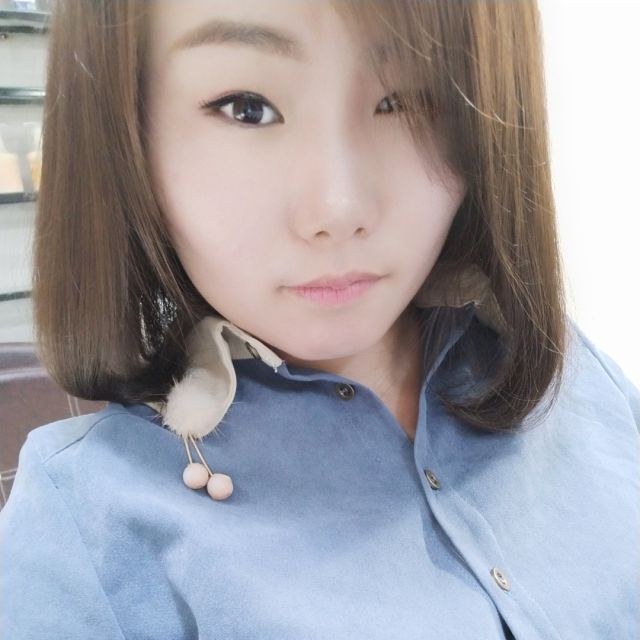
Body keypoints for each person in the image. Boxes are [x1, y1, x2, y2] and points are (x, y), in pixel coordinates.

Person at [1, 0, 638, 637]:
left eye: (407, 101)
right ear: (126, 135)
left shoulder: (573, 377)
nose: (338, 208)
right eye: (247, 107)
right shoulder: (81, 531)